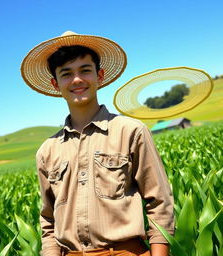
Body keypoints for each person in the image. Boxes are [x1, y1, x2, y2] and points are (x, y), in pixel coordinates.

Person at [21, 31, 174, 256]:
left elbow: (159, 202)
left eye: (85, 70)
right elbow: (48, 220)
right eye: (66, 74)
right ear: (55, 84)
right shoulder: (47, 150)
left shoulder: (131, 131)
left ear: (99, 76)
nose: (77, 79)